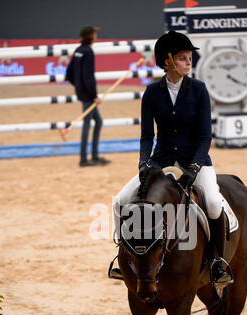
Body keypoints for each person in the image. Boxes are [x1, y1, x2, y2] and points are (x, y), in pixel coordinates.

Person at [109, 30, 232, 285]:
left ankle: (218, 262)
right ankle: (122, 258)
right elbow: (146, 136)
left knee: (212, 203)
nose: (189, 62)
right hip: (160, 160)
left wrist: (195, 166)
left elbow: (205, 137)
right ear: (168, 61)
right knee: (120, 200)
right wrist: (144, 162)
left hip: (195, 161)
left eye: (189, 58)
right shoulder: (152, 93)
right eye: (183, 58)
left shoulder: (199, 90)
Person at [66, 25, 110, 167]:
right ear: (90, 36)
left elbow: (69, 73)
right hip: (88, 94)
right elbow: (88, 76)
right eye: (94, 34)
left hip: (82, 92)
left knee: (98, 121)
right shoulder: (88, 52)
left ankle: (95, 156)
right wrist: (93, 95)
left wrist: (78, 86)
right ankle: (84, 159)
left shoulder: (78, 50)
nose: (96, 36)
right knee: (87, 124)